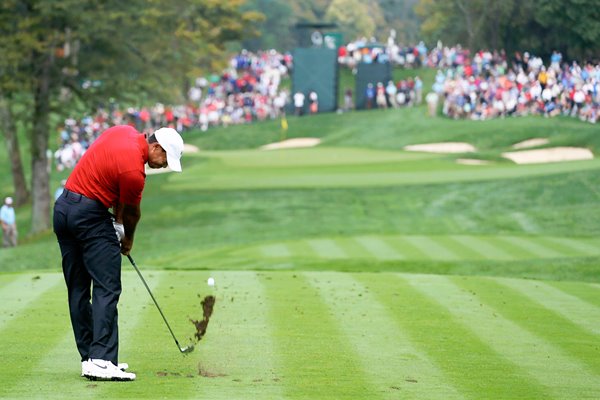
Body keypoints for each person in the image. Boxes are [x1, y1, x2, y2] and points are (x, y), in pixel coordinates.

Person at [53, 125, 184, 381]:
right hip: (89, 216)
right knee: (107, 287)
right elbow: (133, 212)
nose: (164, 165)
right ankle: (101, 359)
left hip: (64, 209)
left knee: (78, 288)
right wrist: (127, 240)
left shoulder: (122, 131)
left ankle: (91, 358)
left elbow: (116, 190)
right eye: (166, 159)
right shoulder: (135, 172)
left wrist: (116, 223)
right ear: (156, 147)